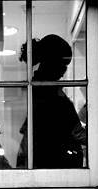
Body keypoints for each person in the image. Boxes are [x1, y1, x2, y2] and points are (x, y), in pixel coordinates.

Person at [16, 34, 87, 168]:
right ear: (52, 63)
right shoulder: (51, 94)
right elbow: (76, 133)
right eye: (63, 64)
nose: (64, 72)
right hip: (52, 164)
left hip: (39, 162)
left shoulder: (36, 88)